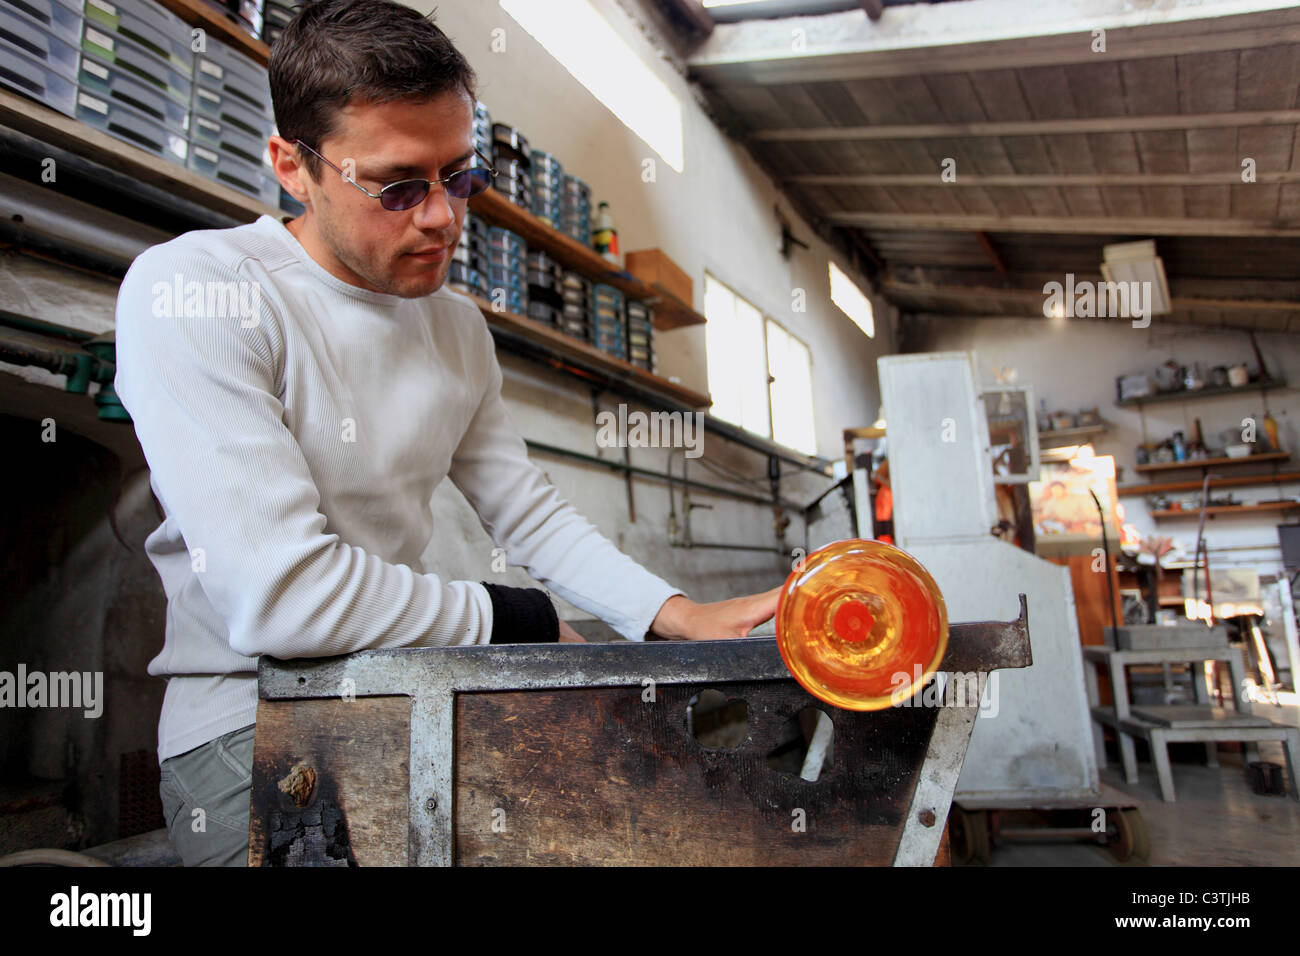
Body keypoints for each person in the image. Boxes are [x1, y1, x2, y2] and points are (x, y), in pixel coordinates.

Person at [113, 0, 781, 866]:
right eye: (397, 187)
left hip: (411, 686)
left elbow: (528, 515)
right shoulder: (199, 292)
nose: (441, 219)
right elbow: (282, 595)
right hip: (251, 727)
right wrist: (521, 620)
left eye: (458, 176)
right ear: (292, 166)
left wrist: (675, 615)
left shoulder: (456, 327)